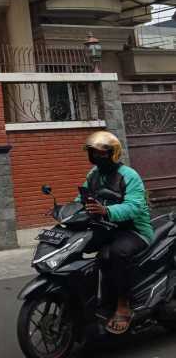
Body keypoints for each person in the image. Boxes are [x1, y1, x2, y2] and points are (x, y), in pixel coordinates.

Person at [80, 130, 153, 335]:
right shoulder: (93, 175)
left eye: (102, 153)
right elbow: (82, 199)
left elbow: (134, 207)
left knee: (116, 253)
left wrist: (106, 211)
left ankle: (123, 304)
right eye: (94, 153)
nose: (97, 157)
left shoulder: (129, 175)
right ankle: (101, 301)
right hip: (107, 229)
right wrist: (65, 211)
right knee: (89, 252)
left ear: (113, 153)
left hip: (135, 230)